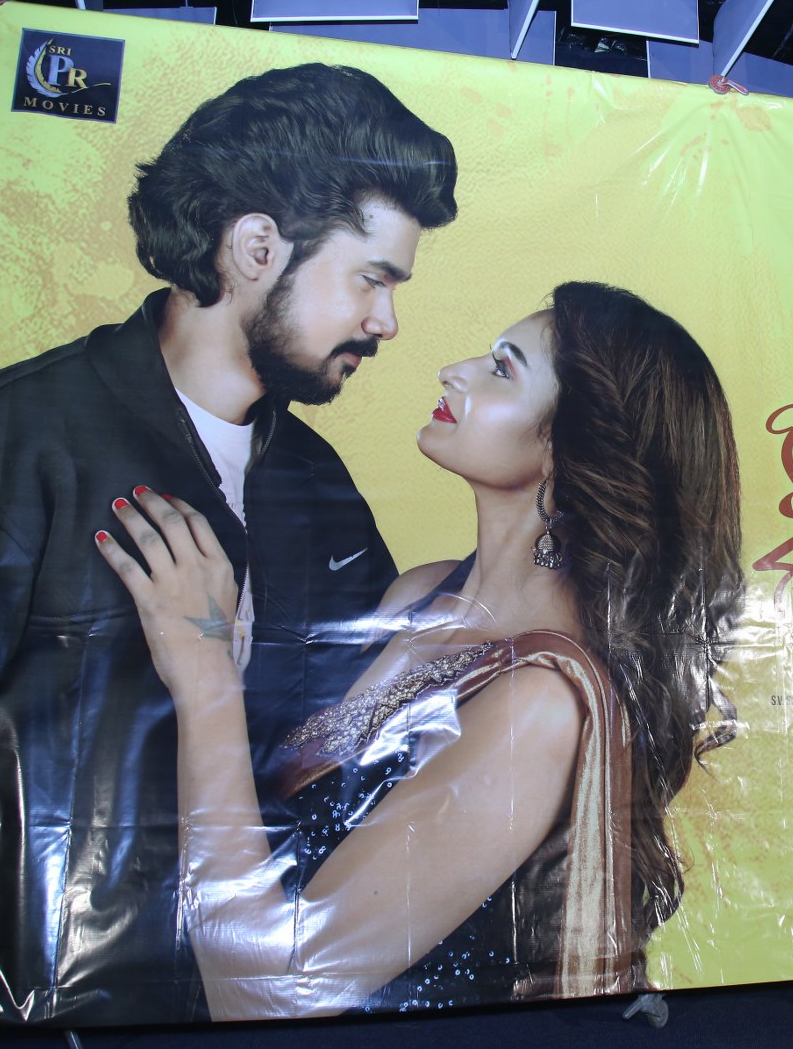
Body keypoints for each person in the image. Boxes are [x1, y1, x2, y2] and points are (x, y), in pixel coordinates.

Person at [0, 64, 457, 1023]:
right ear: (256, 247)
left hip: (251, 997)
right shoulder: (0, 445)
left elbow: (347, 762)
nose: (387, 321)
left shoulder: (322, 486)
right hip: (33, 1012)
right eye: (372, 278)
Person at [95, 282, 743, 1018]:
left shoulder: (541, 705)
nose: (453, 371)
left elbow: (269, 995)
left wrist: (203, 672)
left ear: (569, 446)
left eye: (501, 369)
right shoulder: (421, 593)